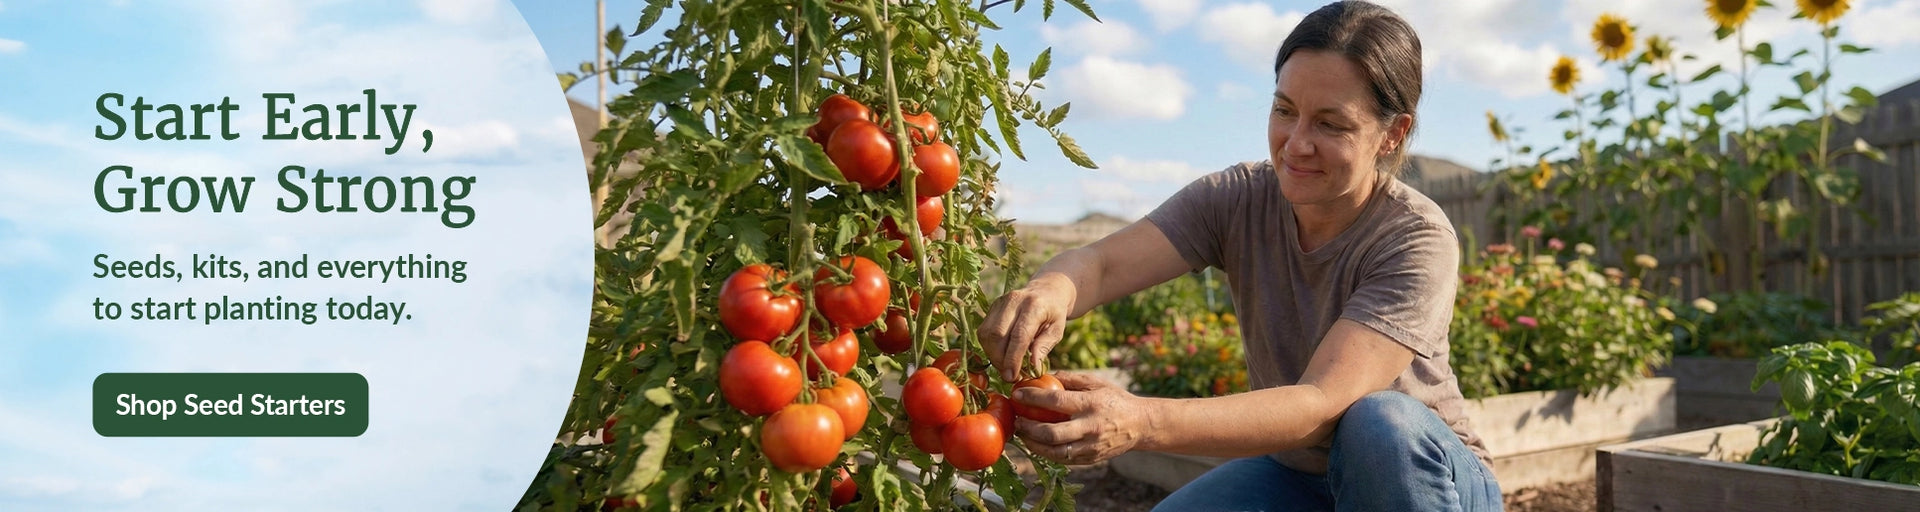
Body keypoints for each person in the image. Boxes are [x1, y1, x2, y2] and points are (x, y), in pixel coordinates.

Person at [977, 1, 1502, 510]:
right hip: (1297, 474)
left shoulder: (1415, 238)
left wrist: (1139, 421)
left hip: (1425, 480)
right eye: (1285, 111)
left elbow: (1320, 402)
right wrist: (1054, 288)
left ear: (1392, 134)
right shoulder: (1237, 197)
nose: (1296, 144)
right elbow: (1103, 263)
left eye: (1331, 124)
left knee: (1380, 422)